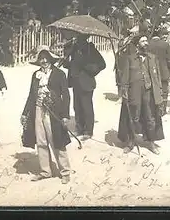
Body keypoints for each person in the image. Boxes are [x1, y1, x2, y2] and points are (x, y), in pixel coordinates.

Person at [20, 47, 72, 183]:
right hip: (38, 110)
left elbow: (66, 95)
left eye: (46, 58)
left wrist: (65, 115)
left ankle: (65, 171)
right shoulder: (35, 75)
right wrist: (25, 113)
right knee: (41, 141)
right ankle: (45, 171)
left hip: (54, 111)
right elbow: (31, 95)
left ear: (51, 59)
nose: (44, 61)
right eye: (41, 58)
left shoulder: (60, 74)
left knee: (56, 139)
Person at [118, 35, 164, 155]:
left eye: (146, 40)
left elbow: (157, 76)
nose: (146, 43)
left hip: (149, 92)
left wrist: (159, 90)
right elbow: (125, 77)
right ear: (137, 44)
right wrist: (124, 90)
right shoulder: (130, 59)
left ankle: (151, 142)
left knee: (150, 117)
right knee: (133, 117)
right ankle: (131, 142)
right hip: (134, 92)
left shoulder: (153, 58)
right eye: (142, 41)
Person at [63, 34, 106, 141]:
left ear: (85, 38)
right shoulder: (73, 48)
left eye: (80, 38)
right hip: (75, 81)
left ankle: (88, 131)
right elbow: (70, 64)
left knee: (86, 107)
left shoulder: (90, 49)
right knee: (77, 106)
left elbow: (102, 64)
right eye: (77, 37)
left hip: (86, 82)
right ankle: (80, 128)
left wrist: (88, 68)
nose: (77, 39)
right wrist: (66, 59)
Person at [148, 28, 170, 116]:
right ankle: (163, 110)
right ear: (161, 35)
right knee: (164, 92)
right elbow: (169, 60)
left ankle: (153, 110)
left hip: (151, 71)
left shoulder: (148, 44)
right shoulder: (165, 45)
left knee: (153, 90)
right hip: (164, 71)